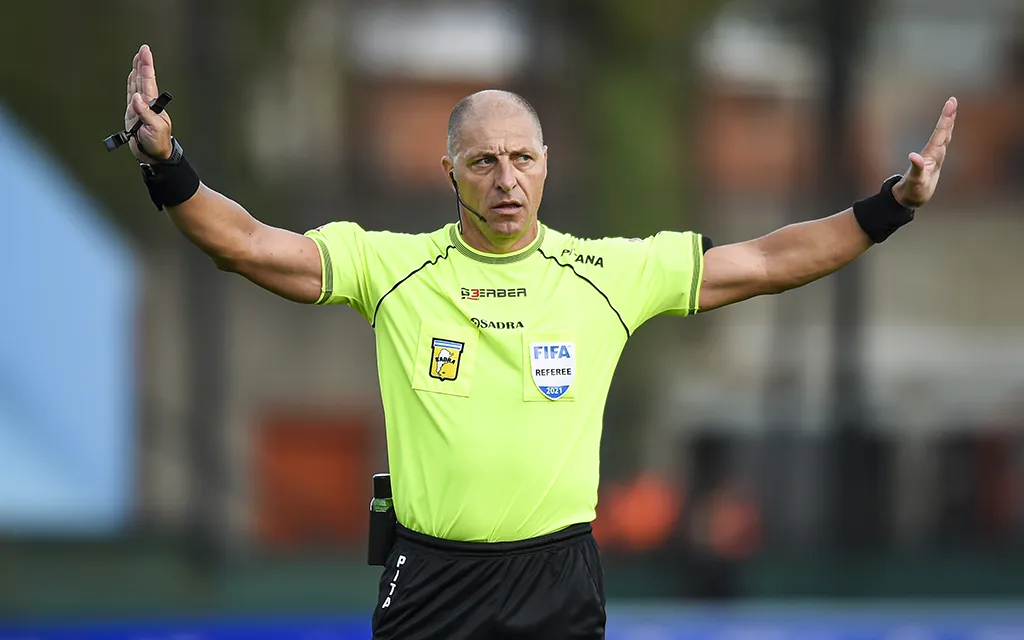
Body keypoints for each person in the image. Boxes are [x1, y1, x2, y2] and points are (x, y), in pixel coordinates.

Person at [121, 42, 957, 639]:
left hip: (556, 579)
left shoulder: (609, 273)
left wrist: (892, 206)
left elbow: (770, 261)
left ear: (547, 164)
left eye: (522, 158)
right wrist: (166, 161)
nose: (506, 179)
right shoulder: (391, 268)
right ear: (451, 172)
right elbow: (246, 245)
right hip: (432, 577)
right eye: (483, 161)